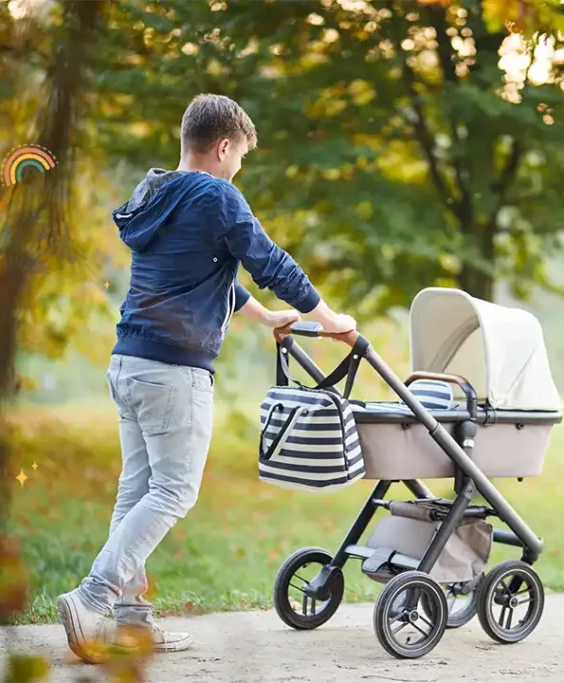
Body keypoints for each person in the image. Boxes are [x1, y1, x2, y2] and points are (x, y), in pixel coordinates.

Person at [57, 94, 356, 663]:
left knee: (137, 492)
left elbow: (206, 270)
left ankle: (132, 624)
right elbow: (269, 262)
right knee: (173, 491)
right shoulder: (217, 194)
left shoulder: (159, 193)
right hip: (173, 372)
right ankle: (92, 596)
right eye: (239, 156)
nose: (237, 168)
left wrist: (266, 317)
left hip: (129, 364)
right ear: (223, 147)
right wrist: (331, 319)